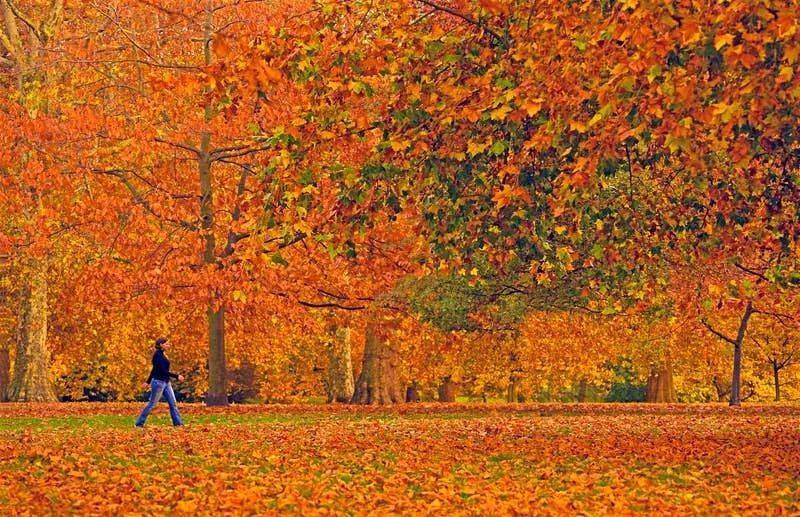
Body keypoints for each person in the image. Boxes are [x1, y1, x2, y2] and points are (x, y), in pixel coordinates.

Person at [135, 337, 185, 427]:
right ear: (161, 345)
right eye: (166, 344)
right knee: (152, 404)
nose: (168, 345)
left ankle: (178, 423)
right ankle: (139, 423)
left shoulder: (162, 354)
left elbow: (154, 369)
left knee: (173, 403)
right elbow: (162, 371)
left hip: (166, 383)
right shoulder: (157, 355)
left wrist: (147, 381)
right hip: (158, 383)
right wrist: (177, 376)